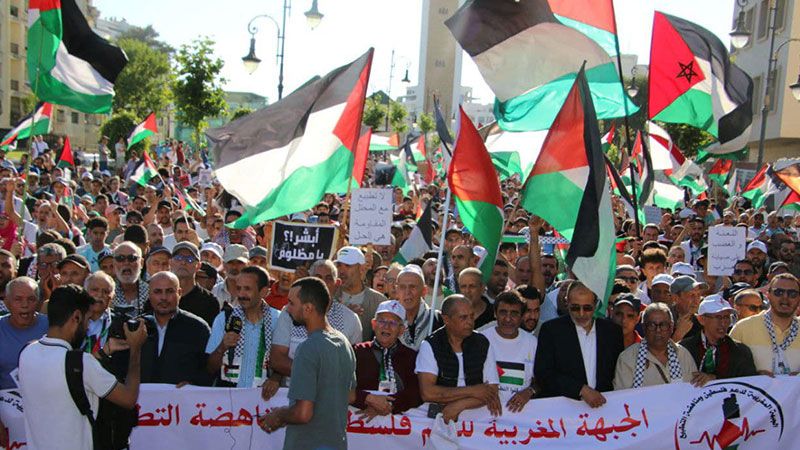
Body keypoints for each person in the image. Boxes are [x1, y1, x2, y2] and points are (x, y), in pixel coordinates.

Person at [18, 284, 147, 450]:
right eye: (87, 320)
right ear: (76, 317)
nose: (87, 328)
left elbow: (64, 374)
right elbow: (128, 398)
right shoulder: (81, 363)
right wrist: (135, 349)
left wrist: (103, 352)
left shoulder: (27, 352)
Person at [258, 277, 356, 450]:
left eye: (291, 303)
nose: (287, 308)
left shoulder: (308, 348)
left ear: (308, 308)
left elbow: (303, 414)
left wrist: (279, 415)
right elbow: (350, 395)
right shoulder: (344, 343)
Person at [270, 260, 362, 386]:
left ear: (337, 283)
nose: (323, 283)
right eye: (318, 278)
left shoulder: (351, 319)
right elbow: (277, 360)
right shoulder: (289, 312)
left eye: (328, 278)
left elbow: (353, 368)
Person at [534, 282, 623, 408]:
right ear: (567, 303)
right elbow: (543, 373)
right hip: (565, 410)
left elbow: (617, 373)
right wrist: (581, 390)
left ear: (596, 304)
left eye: (587, 308)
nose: (581, 314)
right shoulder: (552, 330)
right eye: (575, 308)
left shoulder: (612, 332)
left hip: (605, 409)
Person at [416, 294, 501, 423]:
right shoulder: (431, 345)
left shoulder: (482, 343)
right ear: (446, 319)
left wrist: (458, 406)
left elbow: (491, 391)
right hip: (439, 418)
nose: (470, 322)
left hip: (475, 420)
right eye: (463, 317)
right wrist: (474, 391)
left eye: (472, 316)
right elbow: (428, 393)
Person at [206, 266, 280, 390]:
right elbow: (209, 368)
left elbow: (287, 361)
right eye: (238, 288)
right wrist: (222, 347)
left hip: (264, 399)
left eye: (247, 289)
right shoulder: (224, 319)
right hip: (229, 399)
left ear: (263, 291)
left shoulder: (278, 320)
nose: (241, 294)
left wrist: (276, 378)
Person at [140, 272, 212, 386]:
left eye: (169, 291)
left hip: (184, 400)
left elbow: (210, 369)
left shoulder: (198, 328)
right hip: (141, 401)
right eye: (157, 292)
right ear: (149, 295)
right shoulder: (137, 326)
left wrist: (193, 383)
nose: (163, 297)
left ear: (179, 293)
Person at [352, 300, 422, 416]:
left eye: (393, 323)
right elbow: (343, 387)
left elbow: (415, 393)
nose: (386, 327)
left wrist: (388, 406)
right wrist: (368, 400)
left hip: (396, 428)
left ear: (401, 330)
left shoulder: (411, 357)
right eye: (382, 321)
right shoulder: (357, 352)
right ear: (374, 324)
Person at [614, 303, 700, 389]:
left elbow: (694, 393)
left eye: (663, 325)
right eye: (652, 325)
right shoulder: (628, 358)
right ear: (643, 327)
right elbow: (622, 398)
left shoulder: (683, 355)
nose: (658, 330)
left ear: (671, 327)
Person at [730, 273, 800, 375]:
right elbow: (727, 370)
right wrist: (754, 376)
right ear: (768, 295)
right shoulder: (743, 328)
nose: (785, 297)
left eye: (792, 293)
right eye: (778, 292)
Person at [481, 291, 538, 413]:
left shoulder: (533, 343)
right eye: (503, 312)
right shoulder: (480, 340)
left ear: (522, 316)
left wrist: (529, 392)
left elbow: (542, 380)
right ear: (495, 314)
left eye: (514, 313)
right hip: (484, 415)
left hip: (521, 416)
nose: (508, 319)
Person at [680, 295, 757, 379]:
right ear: (701, 319)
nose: (723, 323)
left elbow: (748, 383)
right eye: (718, 317)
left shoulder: (740, 351)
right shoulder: (685, 349)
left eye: (726, 317)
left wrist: (715, 379)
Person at [0, 278, 48, 389]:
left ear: (38, 301)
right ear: (7, 302)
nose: (25, 305)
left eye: (31, 299)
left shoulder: (51, 327)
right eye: (18, 299)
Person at [335, 246, 387, 341]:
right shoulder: (329, 297)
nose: (341, 271)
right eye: (339, 265)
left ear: (361, 269)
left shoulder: (379, 301)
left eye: (347, 265)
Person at [170, 241, 220, 327]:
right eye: (178, 258)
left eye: (189, 259)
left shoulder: (209, 301)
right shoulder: (160, 296)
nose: (183, 262)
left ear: (198, 266)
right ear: (170, 262)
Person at [395, 264, 442, 350]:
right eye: (402, 287)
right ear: (397, 291)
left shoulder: (437, 319)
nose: (407, 292)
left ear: (424, 291)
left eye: (412, 287)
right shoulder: (388, 320)